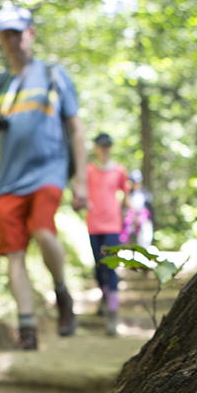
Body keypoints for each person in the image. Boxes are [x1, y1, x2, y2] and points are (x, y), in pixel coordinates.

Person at [0, 5, 88, 351]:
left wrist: (82, 181)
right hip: (9, 181)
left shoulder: (54, 75)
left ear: (31, 33)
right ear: (0, 39)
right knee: (13, 253)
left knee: (44, 230)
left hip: (49, 171)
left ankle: (62, 292)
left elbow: (76, 130)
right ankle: (27, 328)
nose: (12, 40)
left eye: (18, 33)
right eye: (6, 34)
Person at [85, 133, 128, 336]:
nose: (105, 149)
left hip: (112, 225)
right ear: (95, 148)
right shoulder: (88, 170)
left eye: (107, 146)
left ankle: (113, 313)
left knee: (110, 267)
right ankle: (104, 296)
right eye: (101, 146)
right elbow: (81, 194)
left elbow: (126, 196)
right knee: (98, 266)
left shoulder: (120, 170)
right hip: (93, 224)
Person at [121, 169, 155, 251]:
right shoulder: (128, 195)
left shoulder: (145, 193)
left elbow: (150, 209)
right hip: (130, 223)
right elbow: (124, 209)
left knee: (145, 235)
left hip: (144, 222)